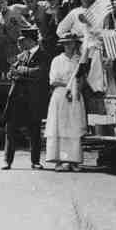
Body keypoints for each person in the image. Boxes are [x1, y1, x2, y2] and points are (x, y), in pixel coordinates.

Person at [1, 27, 50, 170]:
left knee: (34, 131)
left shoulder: (43, 55)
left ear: (30, 40)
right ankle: (7, 161)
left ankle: (35, 161)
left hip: (33, 100)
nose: (21, 42)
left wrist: (20, 72)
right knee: (10, 130)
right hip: (17, 99)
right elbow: (12, 72)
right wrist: (14, 74)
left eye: (23, 40)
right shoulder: (22, 56)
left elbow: (39, 73)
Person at [44, 32, 91, 172]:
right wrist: (68, 85)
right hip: (60, 96)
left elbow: (83, 80)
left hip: (75, 95)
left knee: (73, 128)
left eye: (71, 43)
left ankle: (74, 161)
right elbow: (53, 80)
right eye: (66, 43)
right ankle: (60, 160)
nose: (68, 46)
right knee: (60, 127)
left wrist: (77, 86)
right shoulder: (57, 60)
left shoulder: (80, 60)